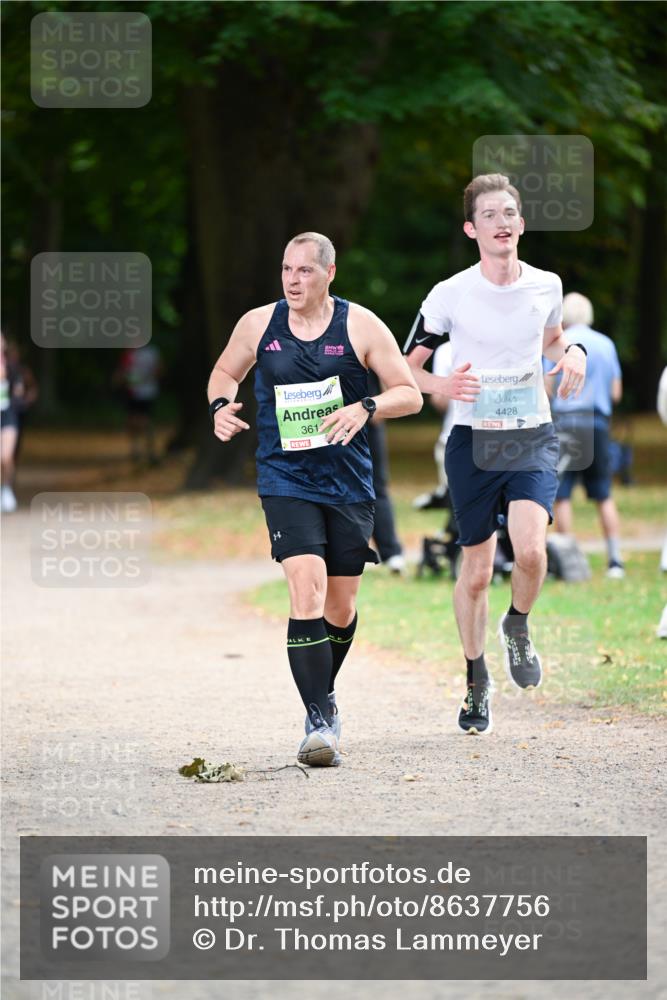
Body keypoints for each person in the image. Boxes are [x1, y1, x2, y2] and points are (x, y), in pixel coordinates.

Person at [208, 232, 422, 766]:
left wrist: (366, 406)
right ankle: (319, 719)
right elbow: (225, 370)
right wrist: (218, 405)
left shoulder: (361, 325)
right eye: (286, 269)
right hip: (285, 478)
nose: (292, 280)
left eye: (304, 271)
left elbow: (410, 393)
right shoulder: (259, 324)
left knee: (340, 607)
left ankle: (322, 699)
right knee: (306, 587)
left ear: (329, 273)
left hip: (348, 482)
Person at [404, 173, 586, 735]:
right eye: (489, 215)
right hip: (473, 441)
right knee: (478, 571)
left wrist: (573, 350)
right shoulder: (450, 293)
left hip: (531, 433)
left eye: (509, 213)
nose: (501, 222)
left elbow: (552, 339)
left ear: (521, 224)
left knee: (531, 553)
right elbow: (405, 366)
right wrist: (441, 388)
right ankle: (476, 682)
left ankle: (519, 624)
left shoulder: (546, 285)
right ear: (471, 228)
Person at [543, 292, 625, 579]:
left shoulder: (558, 344)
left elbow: (547, 386)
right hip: (598, 424)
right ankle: (615, 560)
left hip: (566, 423)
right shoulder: (606, 344)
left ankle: (572, 560)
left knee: (562, 495)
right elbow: (616, 392)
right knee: (603, 493)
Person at [366, 369, 405, 573]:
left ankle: (391, 553)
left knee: (376, 486)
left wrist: (379, 405)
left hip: (367, 415)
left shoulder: (367, 335)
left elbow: (385, 370)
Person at [113, 343, 163, 464]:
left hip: (147, 392)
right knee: (132, 420)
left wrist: (147, 378)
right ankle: (136, 449)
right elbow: (122, 370)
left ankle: (150, 450)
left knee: (144, 420)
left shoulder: (151, 352)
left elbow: (159, 369)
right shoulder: (130, 352)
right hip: (132, 392)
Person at [0, 333, 24, 514]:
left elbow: (19, 392)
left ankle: (7, 489)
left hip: (8, 415)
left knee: (6, 457)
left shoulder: (12, 368)